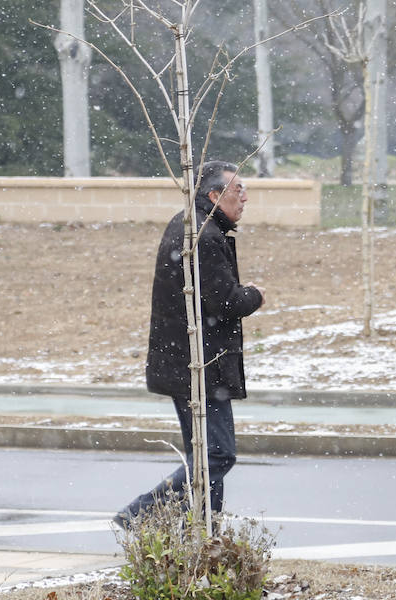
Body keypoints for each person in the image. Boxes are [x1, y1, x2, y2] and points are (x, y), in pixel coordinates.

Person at [114, 160, 264, 528]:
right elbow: (225, 302)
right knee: (216, 456)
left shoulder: (190, 225)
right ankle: (142, 513)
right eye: (237, 189)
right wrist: (255, 295)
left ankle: (201, 539)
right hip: (200, 367)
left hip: (188, 363)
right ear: (214, 196)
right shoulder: (205, 236)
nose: (245, 197)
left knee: (205, 458)